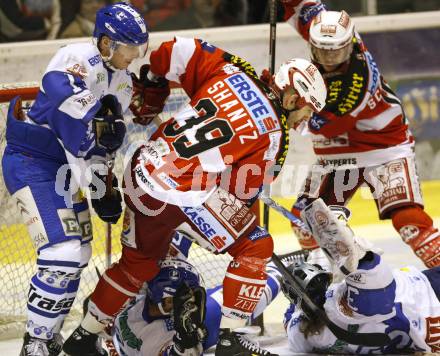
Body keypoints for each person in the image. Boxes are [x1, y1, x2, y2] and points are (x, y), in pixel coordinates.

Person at [62, 37, 327, 356]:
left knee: (137, 265)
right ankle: (233, 339)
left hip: (141, 170)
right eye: (306, 111)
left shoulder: (230, 70)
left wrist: (153, 90)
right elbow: (239, 193)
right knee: (256, 244)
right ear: (293, 99)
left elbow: (171, 52)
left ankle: (82, 337)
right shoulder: (275, 136)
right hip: (181, 191)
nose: (303, 121)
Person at [1, 2, 149, 355]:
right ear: (105, 43)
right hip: (33, 160)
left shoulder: (124, 84)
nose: (133, 55)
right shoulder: (77, 56)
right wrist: (98, 116)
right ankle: (34, 343)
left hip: (65, 170)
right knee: (63, 253)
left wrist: (103, 189)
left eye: (137, 48)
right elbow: (58, 91)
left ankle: (48, 337)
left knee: (79, 254)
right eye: (128, 47)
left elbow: (101, 146)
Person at [278, 0, 440, 267]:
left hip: (383, 150)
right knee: (304, 223)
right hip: (339, 154)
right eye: (323, 51)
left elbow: (316, 125)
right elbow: (306, 6)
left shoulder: (355, 85)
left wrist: (282, 106)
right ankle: (318, 280)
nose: (330, 59)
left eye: (336, 52)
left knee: (409, 222)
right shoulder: (334, 34)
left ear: (349, 45)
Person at [281, 198, 440, 354]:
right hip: (424, 293)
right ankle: (359, 256)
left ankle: (357, 257)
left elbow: (290, 320)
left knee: (365, 296)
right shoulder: (336, 302)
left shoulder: (301, 334)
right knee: (367, 296)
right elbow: (378, 295)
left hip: (427, 330)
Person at [110, 231, 285, 356]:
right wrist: (185, 339)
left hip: (149, 328)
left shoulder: (133, 300)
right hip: (191, 332)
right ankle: (285, 269)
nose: (191, 299)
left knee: (173, 231)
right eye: (183, 296)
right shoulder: (153, 343)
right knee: (241, 299)